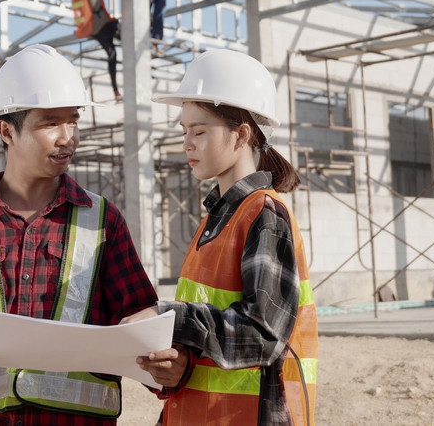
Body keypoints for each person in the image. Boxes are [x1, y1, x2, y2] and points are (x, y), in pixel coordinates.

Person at [0, 43, 159, 425]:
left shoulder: (102, 223)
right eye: (50, 123)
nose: (68, 137)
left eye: (73, 121)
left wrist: (158, 349)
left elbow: (138, 315)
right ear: (6, 130)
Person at [123, 49, 319, 425]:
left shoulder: (264, 215)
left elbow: (263, 332)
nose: (187, 143)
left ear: (241, 134)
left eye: (199, 131)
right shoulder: (217, 219)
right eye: (184, 131)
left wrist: (169, 317)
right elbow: (210, 337)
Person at [72, 0, 123, 101]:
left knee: (112, 54)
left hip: (92, 29)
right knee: (122, 27)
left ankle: (115, 91)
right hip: (103, 26)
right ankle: (121, 34)